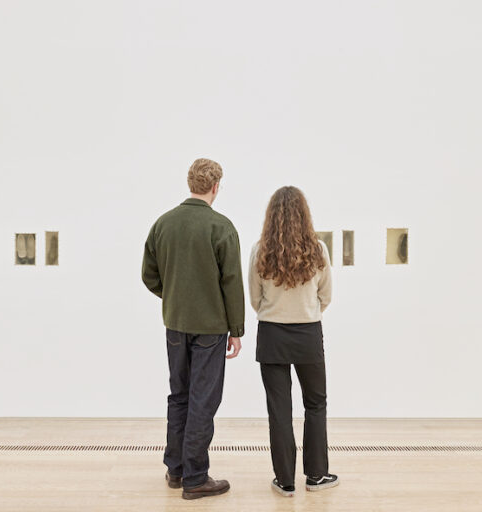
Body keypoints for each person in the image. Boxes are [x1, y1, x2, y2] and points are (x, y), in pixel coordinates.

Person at [141, 158, 245, 500]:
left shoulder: (163, 224)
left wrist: (173, 296)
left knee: (179, 395)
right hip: (211, 328)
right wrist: (237, 329)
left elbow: (149, 275)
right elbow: (232, 282)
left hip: (175, 322)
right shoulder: (221, 227)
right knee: (203, 399)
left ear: (190, 183)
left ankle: (176, 469)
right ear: (216, 186)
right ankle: (196, 477)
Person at [248, 186, 338, 497]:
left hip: (271, 333)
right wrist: (306, 311)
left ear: (271, 216)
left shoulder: (260, 249)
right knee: (315, 404)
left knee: (279, 409)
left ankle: (285, 481)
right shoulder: (318, 249)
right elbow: (326, 296)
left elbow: (255, 299)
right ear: (304, 214)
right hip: (308, 333)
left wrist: (277, 312)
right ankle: (316, 476)